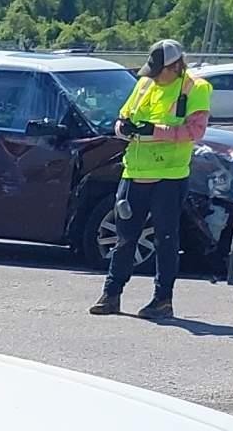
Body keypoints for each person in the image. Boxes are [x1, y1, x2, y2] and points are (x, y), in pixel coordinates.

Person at [89, 39, 210, 321]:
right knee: (125, 236)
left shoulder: (196, 87)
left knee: (167, 238)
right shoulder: (144, 84)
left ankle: (162, 299)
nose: (155, 76)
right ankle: (111, 294)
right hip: (135, 171)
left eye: (160, 70)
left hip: (170, 174)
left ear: (176, 65)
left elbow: (196, 131)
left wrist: (154, 131)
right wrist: (123, 128)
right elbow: (122, 117)